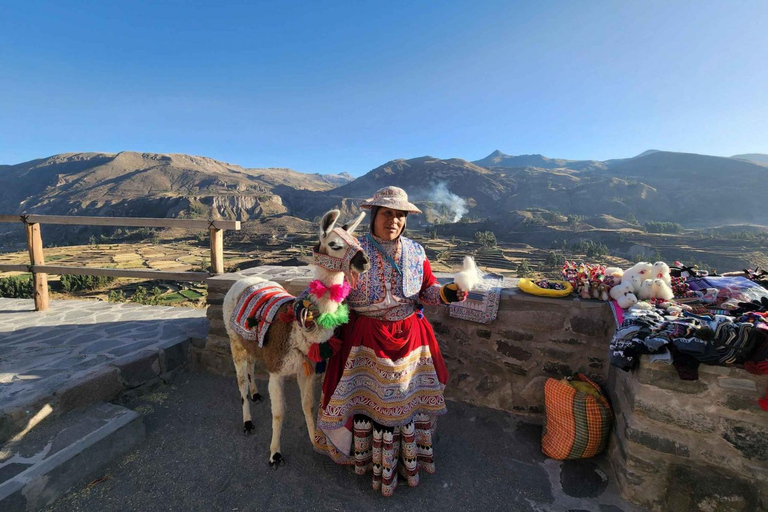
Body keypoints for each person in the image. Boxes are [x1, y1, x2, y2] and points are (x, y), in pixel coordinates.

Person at [313, 186, 466, 496]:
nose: (393, 220)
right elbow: (329, 284)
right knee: (368, 404)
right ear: (373, 216)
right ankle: (368, 459)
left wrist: (447, 293)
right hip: (365, 336)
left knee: (406, 402)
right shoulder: (352, 250)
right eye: (386, 213)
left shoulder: (416, 252)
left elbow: (427, 290)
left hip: (410, 336)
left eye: (399, 215)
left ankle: (402, 458)